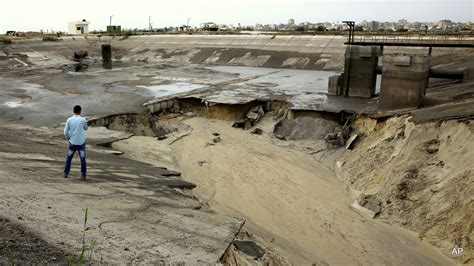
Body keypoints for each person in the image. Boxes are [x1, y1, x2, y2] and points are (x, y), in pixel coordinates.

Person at [63, 105, 88, 180]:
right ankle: (83, 175)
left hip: (72, 142)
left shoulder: (69, 120)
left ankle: (66, 173)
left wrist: (68, 138)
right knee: (82, 159)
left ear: (73, 111)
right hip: (81, 142)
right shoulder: (83, 120)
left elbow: (65, 132)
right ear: (80, 111)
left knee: (69, 158)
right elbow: (86, 128)